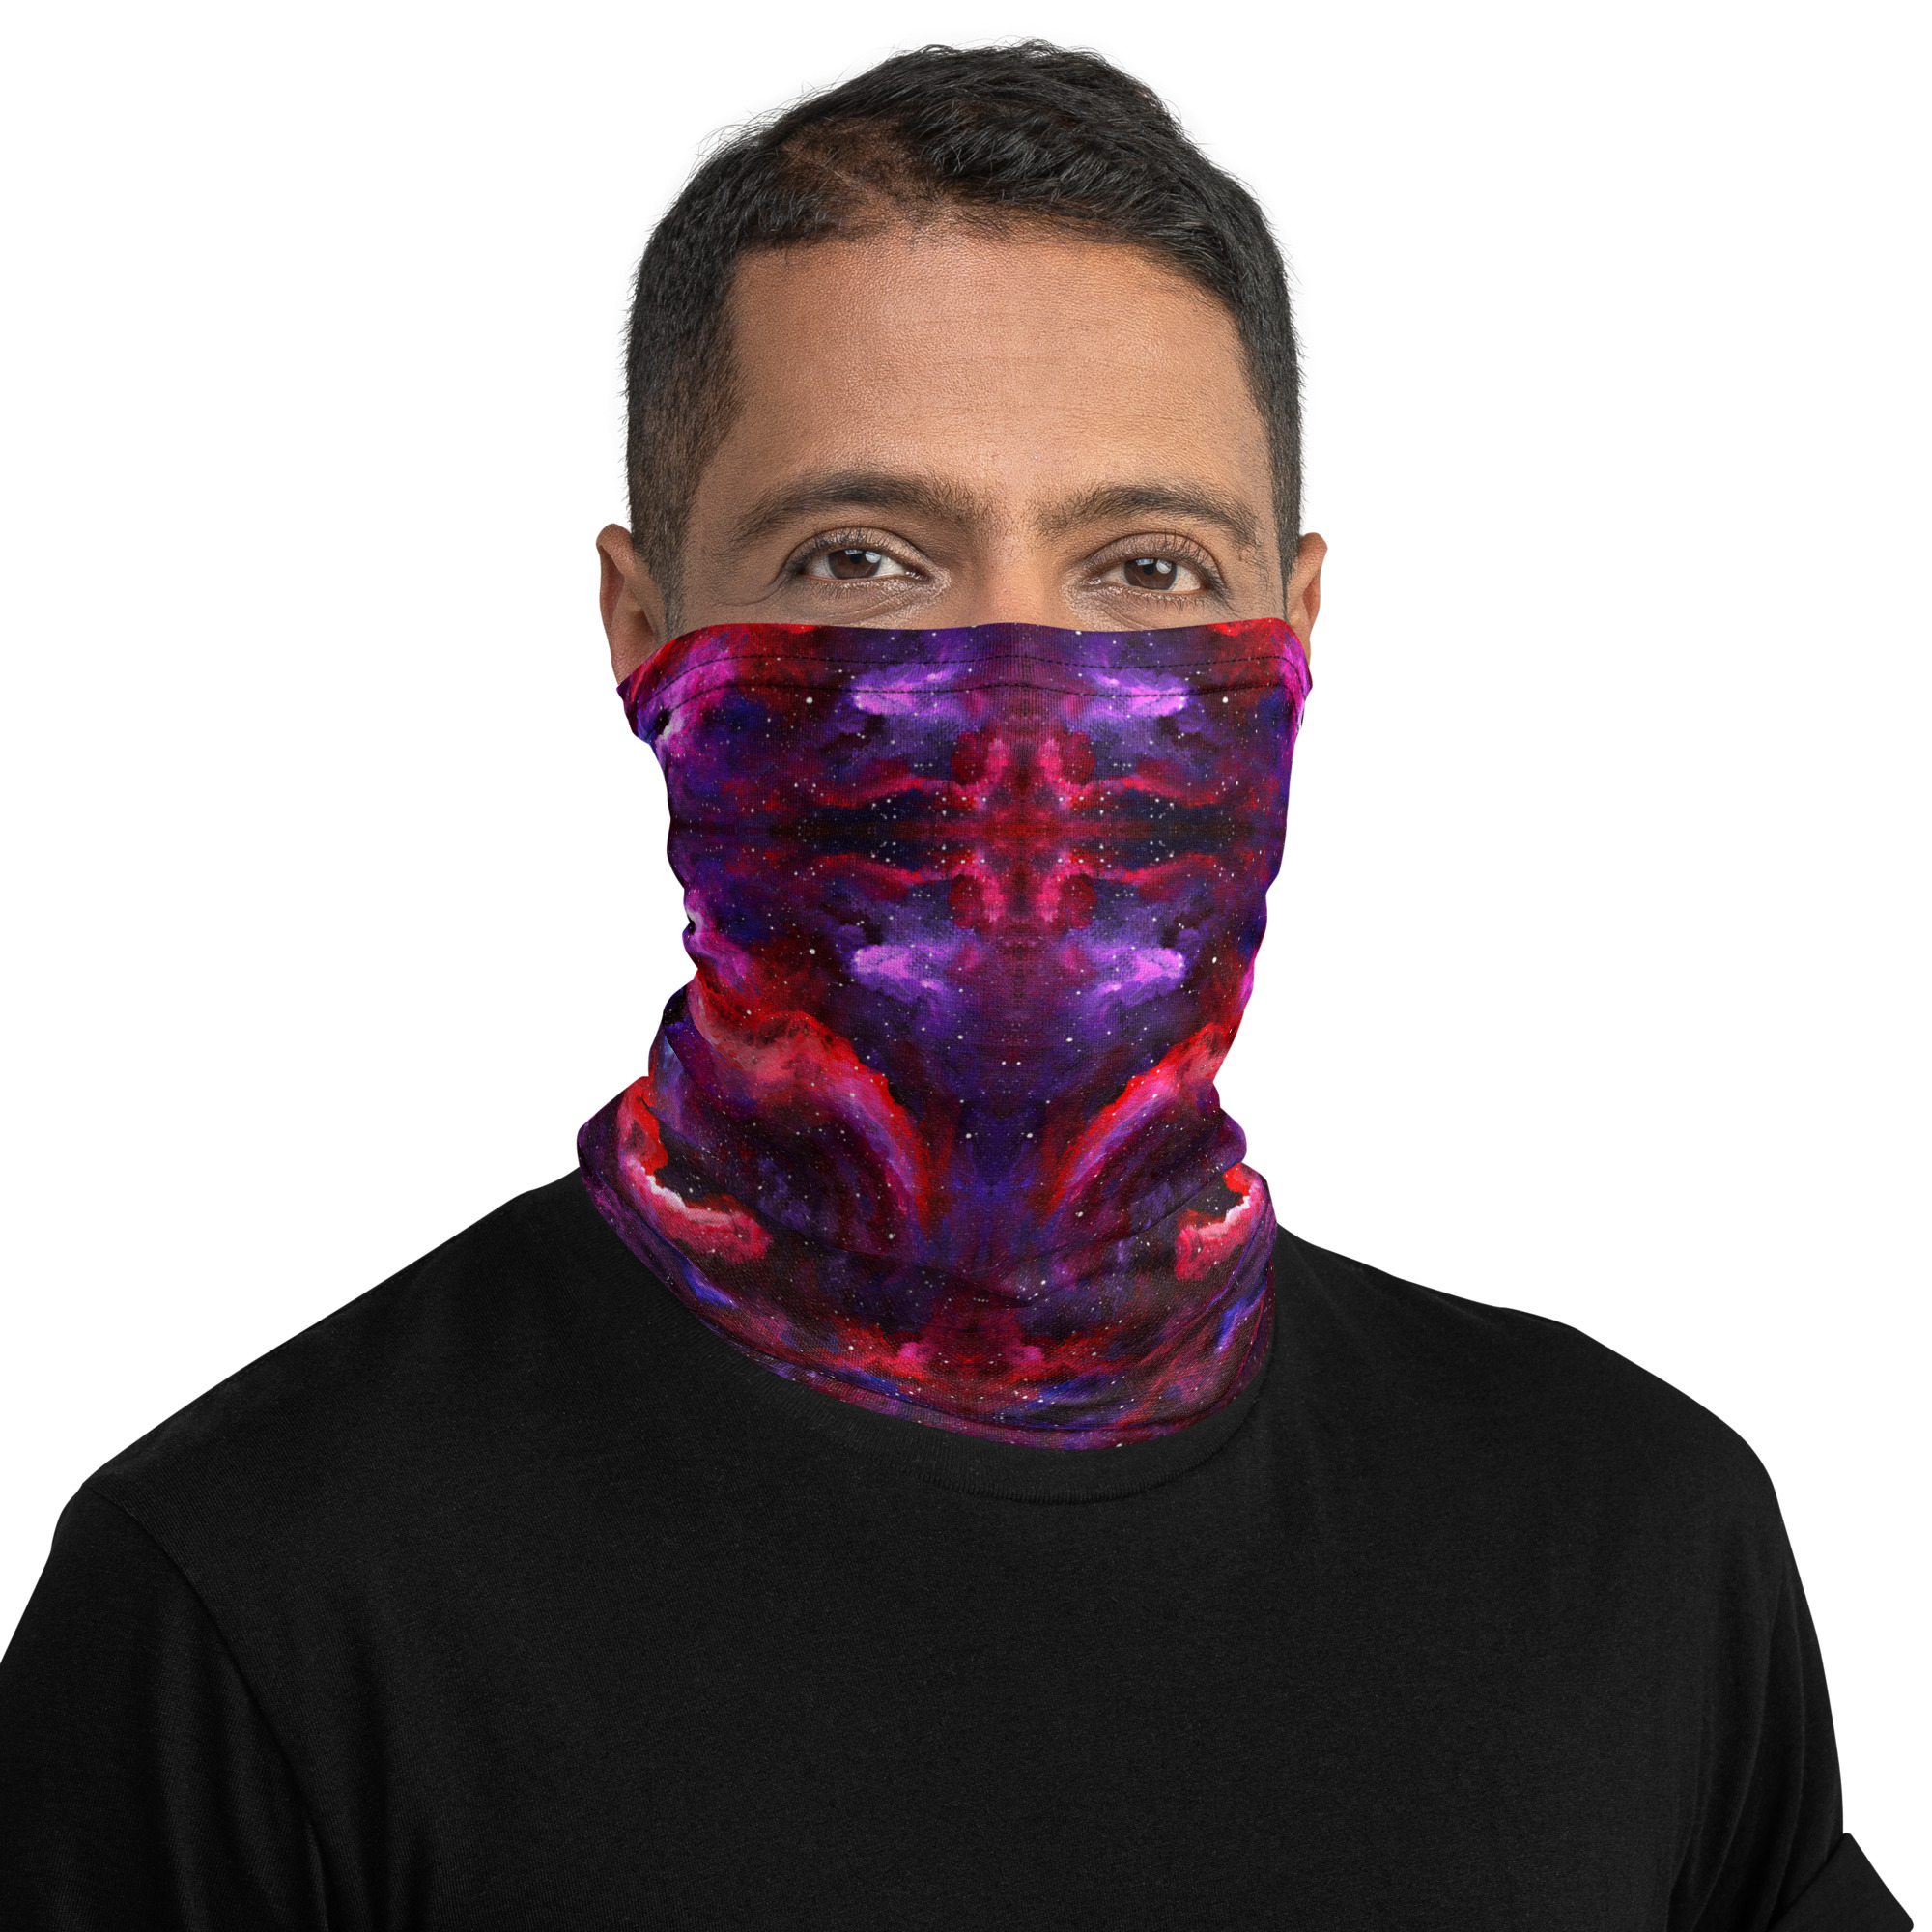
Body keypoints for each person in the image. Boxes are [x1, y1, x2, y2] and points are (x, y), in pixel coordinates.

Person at [0, 41, 1909, 1931]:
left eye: (1146, 569)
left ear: (1295, 628)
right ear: (644, 629)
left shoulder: (1629, 1542)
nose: (1020, 717)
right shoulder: (262, 1602)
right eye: (864, 561)